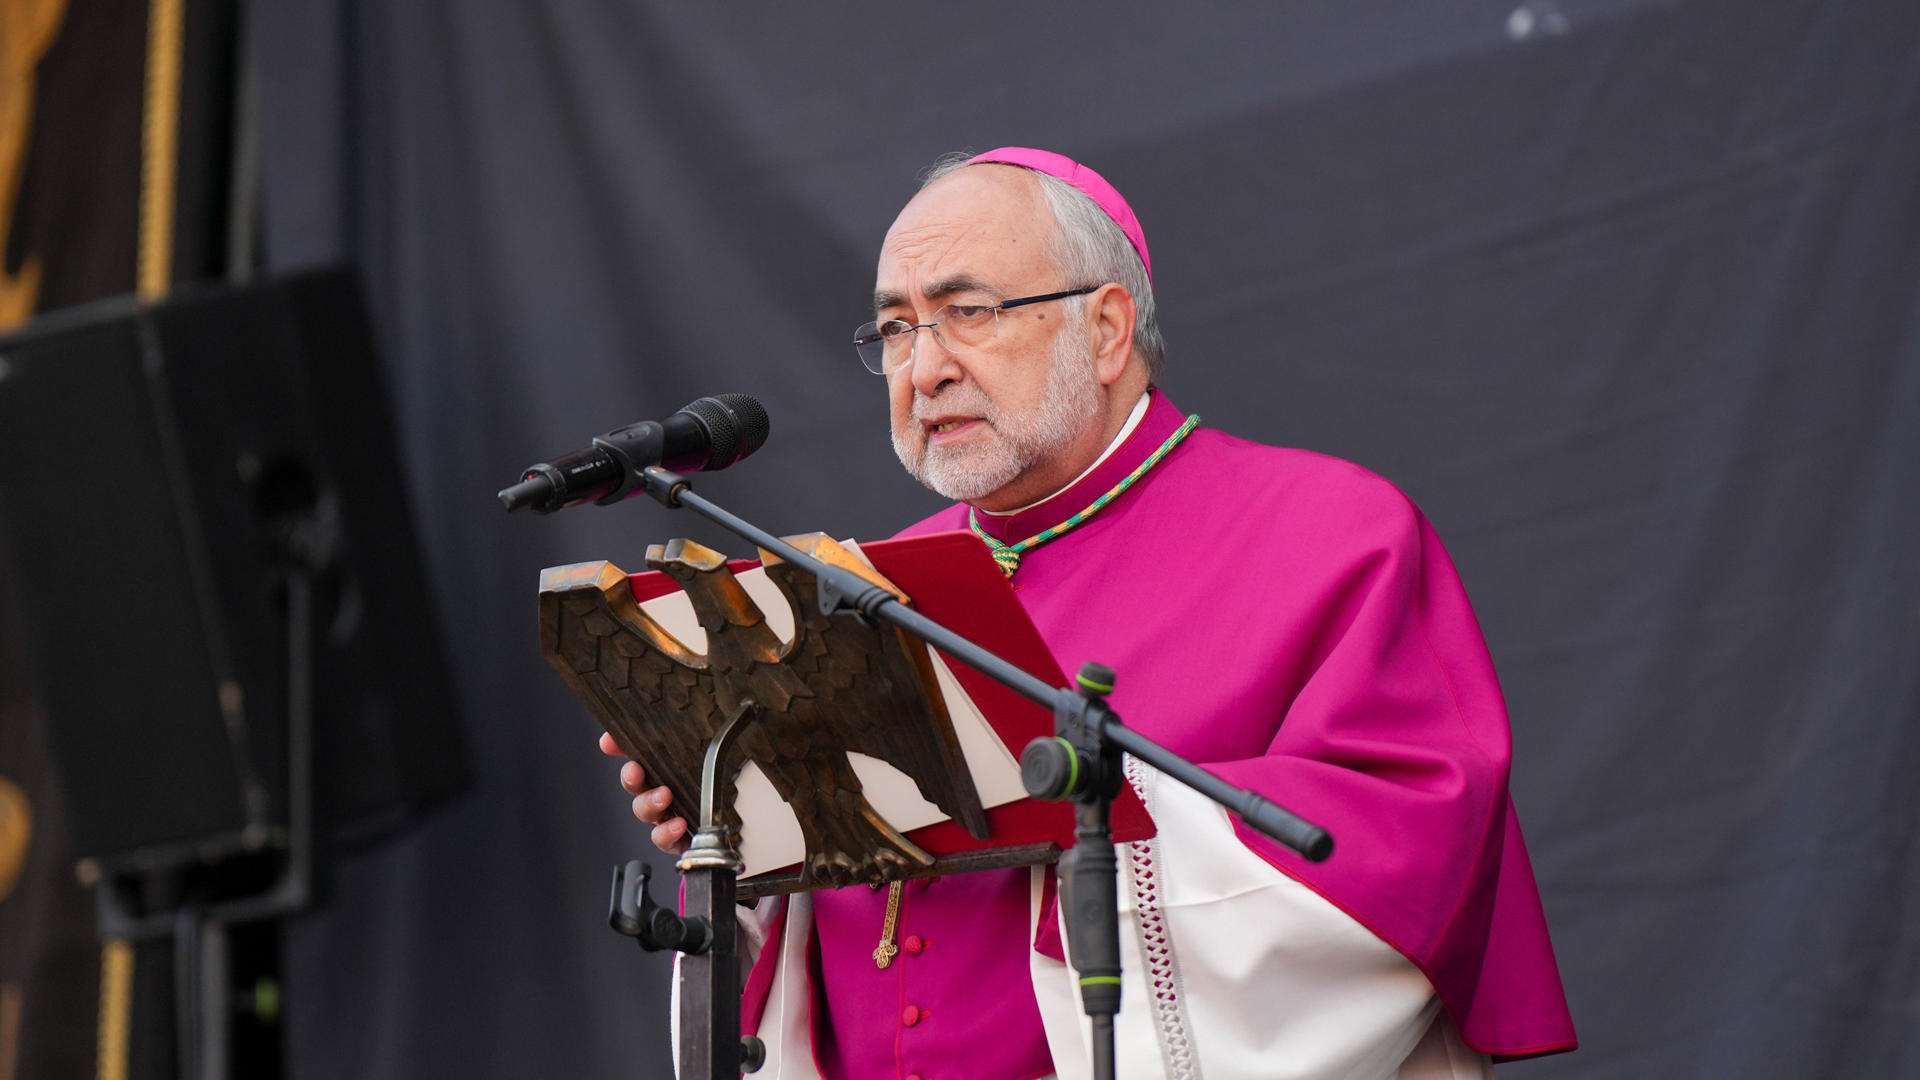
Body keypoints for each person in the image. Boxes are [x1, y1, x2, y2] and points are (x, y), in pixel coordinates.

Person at [601, 147, 1577, 1079]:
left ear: (1106, 330)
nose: (923, 366)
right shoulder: (870, 583)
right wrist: (740, 819)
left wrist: (1077, 813)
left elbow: (1405, 855)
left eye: (966, 312)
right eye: (894, 329)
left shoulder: (1331, 532)